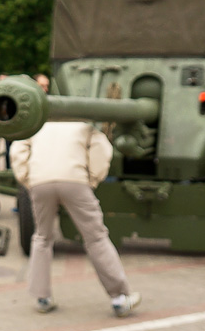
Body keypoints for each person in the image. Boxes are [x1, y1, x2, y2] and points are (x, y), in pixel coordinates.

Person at [10, 121, 140, 317]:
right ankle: (119, 297)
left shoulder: (38, 123)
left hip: (40, 181)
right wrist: (93, 179)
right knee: (96, 237)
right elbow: (102, 149)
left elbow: (18, 148)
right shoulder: (83, 122)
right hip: (75, 179)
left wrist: (27, 178)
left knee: (42, 237)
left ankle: (42, 298)